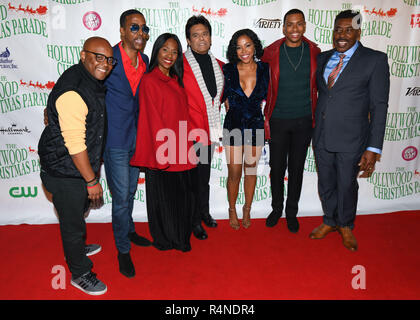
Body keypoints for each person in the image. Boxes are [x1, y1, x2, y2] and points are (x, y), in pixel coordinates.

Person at [38, 37, 114, 295]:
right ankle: (80, 273)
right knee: (72, 223)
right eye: (98, 57)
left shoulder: (86, 78)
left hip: (73, 163)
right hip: (65, 167)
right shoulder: (75, 90)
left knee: (77, 210)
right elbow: (75, 145)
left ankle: (77, 247)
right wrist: (92, 181)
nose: (105, 64)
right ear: (84, 55)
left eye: (109, 59)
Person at [310, 10, 390, 251]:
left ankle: (345, 225)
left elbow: (379, 106)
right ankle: (329, 220)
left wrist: (373, 147)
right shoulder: (323, 59)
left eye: (348, 30)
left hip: (353, 138)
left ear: (358, 32)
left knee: (346, 184)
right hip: (322, 134)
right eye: (337, 29)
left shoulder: (374, 60)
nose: (341, 35)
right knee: (326, 182)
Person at [130, 33, 198, 252]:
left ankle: (179, 237)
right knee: (166, 199)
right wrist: (164, 154)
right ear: (157, 51)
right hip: (164, 151)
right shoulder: (150, 81)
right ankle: (168, 239)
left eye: (174, 51)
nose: (170, 55)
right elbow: (152, 119)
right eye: (165, 50)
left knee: (183, 197)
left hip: (181, 148)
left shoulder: (176, 80)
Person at [261, 9, 321, 233]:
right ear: (283, 27)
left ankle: (291, 212)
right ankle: (276, 208)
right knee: (277, 168)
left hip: (304, 121)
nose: (294, 29)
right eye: (290, 24)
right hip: (278, 119)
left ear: (304, 26)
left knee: (296, 168)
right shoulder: (271, 53)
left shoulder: (315, 53)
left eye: (298, 24)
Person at [103, 9, 151, 279]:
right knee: (120, 198)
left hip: (138, 138)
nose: (140, 33)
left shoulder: (145, 59)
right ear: (122, 31)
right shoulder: (106, 58)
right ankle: (123, 249)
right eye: (134, 28)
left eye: (143, 28)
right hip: (116, 140)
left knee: (131, 191)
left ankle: (129, 230)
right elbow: (83, 86)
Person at [222, 29, 269, 230]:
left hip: (255, 125)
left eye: (247, 45)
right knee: (234, 172)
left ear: (255, 46)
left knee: (251, 169)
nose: (244, 51)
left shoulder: (265, 68)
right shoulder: (227, 70)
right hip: (233, 124)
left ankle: (247, 209)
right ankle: (231, 209)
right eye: (239, 47)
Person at [183, 15, 224, 240]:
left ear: (210, 37)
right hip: (187, 132)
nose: (201, 39)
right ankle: (193, 221)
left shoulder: (218, 65)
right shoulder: (180, 63)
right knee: (191, 180)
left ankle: (204, 212)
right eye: (195, 35)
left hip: (209, 131)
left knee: (203, 177)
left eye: (205, 34)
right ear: (188, 40)